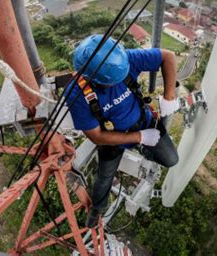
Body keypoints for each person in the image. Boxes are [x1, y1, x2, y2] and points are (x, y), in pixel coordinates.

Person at [66, 34, 180, 228]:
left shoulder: (121, 60)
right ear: (96, 79)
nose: (118, 83)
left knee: (171, 159)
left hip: (143, 121)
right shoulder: (77, 94)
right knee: (104, 178)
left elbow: (167, 56)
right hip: (113, 139)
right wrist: (140, 138)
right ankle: (98, 208)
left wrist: (169, 97)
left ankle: (143, 147)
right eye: (113, 83)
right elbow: (96, 136)